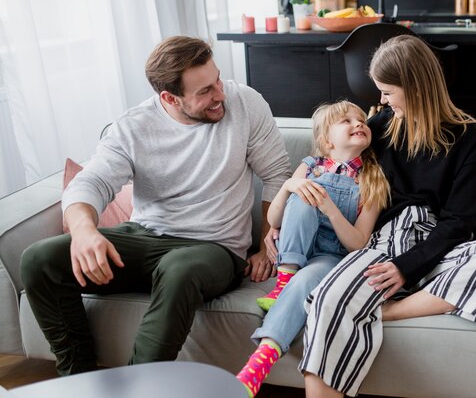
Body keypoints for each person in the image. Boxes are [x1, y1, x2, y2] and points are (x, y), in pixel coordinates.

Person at [19, 36, 292, 375]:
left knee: (180, 268)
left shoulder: (245, 103)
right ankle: (80, 378)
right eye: (204, 91)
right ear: (169, 98)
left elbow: (278, 175)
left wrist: (266, 246)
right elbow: (91, 183)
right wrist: (85, 231)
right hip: (145, 236)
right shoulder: (133, 127)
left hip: (215, 249)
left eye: (217, 79)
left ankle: (141, 389)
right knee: (39, 260)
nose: (220, 94)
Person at [299, 35, 476, 397]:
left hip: (439, 251)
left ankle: (389, 312)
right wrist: (286, 211)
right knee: (326, 298)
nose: (381, 100)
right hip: (381, 246)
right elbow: (326, 161)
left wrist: (406, 267)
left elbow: (460, 221)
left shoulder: (468, 137)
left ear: (415, 87)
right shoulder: (377, 128)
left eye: (388, 92)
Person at [236, 101, 389, 398]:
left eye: (361, 120)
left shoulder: (373, 179)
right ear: (327, 140)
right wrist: (290, 187)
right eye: (347, 121)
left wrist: (331, 210)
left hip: (331, 258)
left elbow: (358, 243)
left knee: (306, 280)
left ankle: (258, 363)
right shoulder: (310, 165)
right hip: (296, 250)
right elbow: (274, 219)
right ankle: (283, 282)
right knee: (303, 196)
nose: (358, 123)